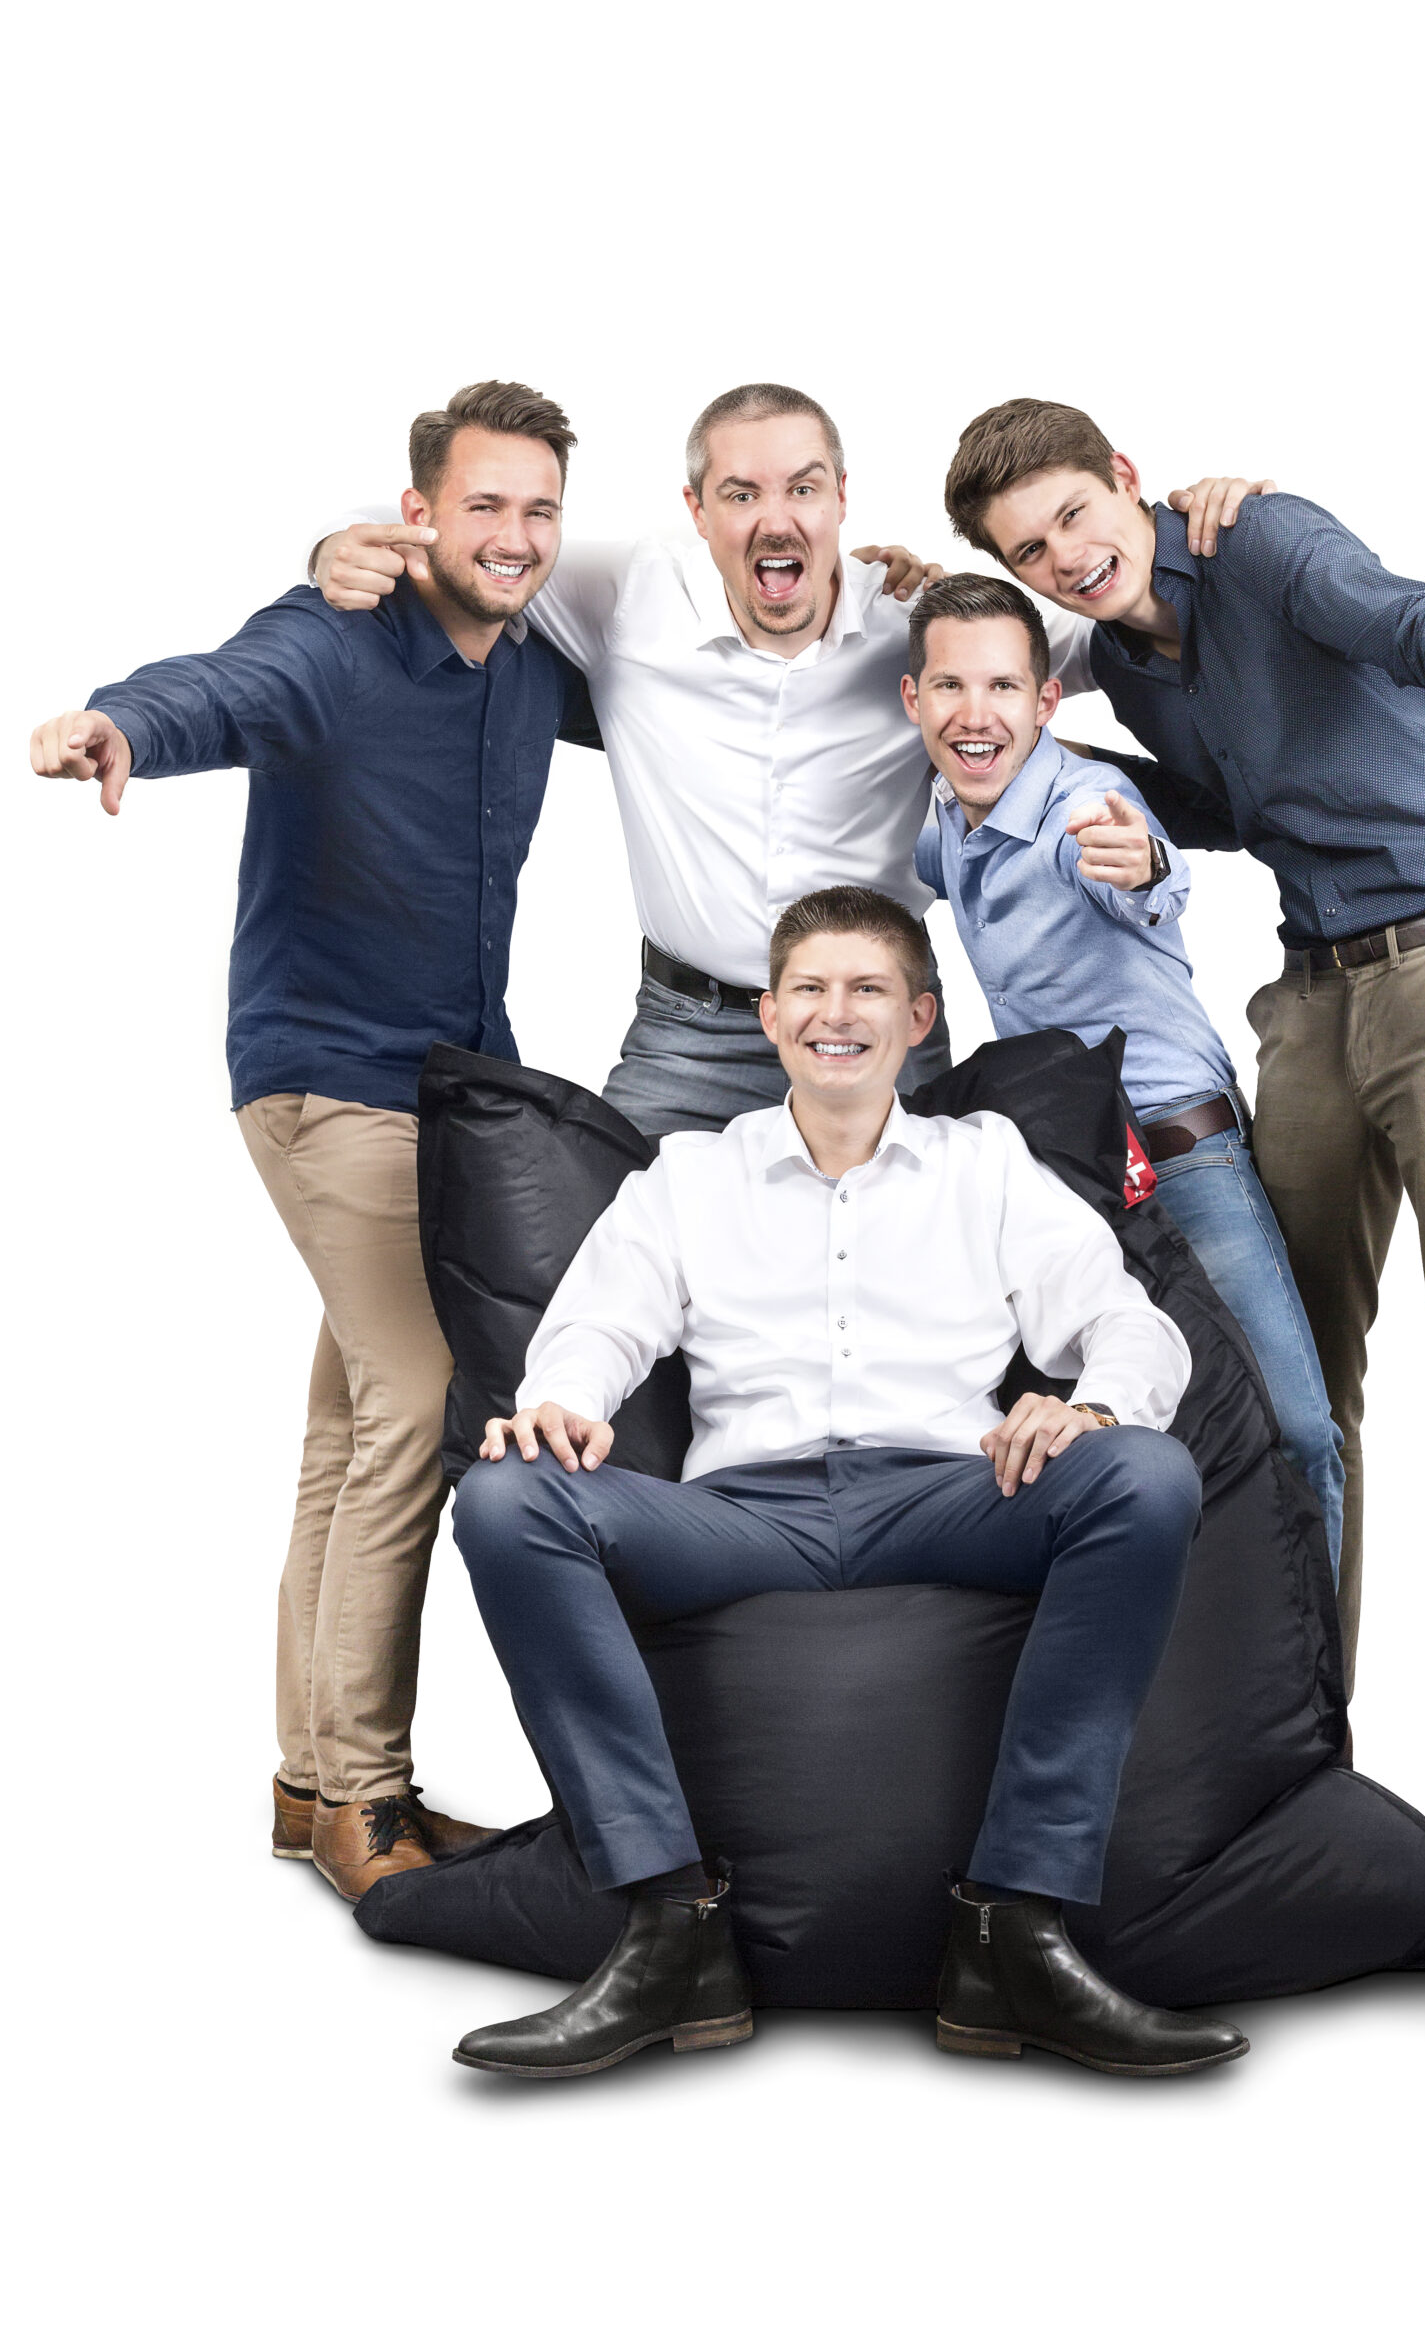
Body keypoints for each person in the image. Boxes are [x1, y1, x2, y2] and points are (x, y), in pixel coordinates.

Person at [943, 397, 1425, 1943]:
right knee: (1287, 1403)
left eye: (1074, 515)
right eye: (1029, 551)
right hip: (1309, 1004)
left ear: (1124, 477)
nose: (1066, 558)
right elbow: (1218, 806)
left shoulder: (1255, 539)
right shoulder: (1125, 665)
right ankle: (1299, 1771)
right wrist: (1043, 745)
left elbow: (1388, 619)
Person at [449, 885, 1248, 2080]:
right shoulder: (690, 1174)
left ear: (919, 1018)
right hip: (741, 1513)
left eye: (869, 988)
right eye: (811, 989)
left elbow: (1133, 1327)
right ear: (769, 1016)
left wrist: (1087, 1407)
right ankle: (670, 1921)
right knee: (505, 1496)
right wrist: (564, 1400)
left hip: (952, 1491)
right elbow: (599, 1326)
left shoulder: (986, 1163)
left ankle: (1015, 1927)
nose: (838, 1013)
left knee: (1143, 1471)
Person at [28, 381, 601, 1901]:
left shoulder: (530, 667)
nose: (515, 536)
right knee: (420, 1404)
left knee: (350, 1426)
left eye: (539, 510)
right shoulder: (335, 633)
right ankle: (367, 1795)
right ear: (415, 514)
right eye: (483, 505)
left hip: (449, 1093)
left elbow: (691, 683)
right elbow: (222, 685)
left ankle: (306, 1783)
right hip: (327, 1084)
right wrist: (115, 722)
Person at [309, 381, 1267, 1137]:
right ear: (696, 510)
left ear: (841, 498)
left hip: (885, 1026)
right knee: (599, 1258)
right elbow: (443, 527)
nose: (777, 519)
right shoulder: (626, 593)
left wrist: (1220, 536)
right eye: (741, 494)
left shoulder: (921, 627)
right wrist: (334, 549)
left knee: (918, 1285)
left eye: (803, 489)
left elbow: (1121, 604)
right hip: (687, 1036)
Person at [902, 571, 1344, 1571]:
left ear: (1046, 701)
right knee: (1099, 1429)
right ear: (913, 699)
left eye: (1004, 687)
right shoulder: (943, 826)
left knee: (1292, 1428)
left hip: (1178, 1155)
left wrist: (1144, 862)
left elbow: (1142, 871)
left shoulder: (1079, 807)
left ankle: (1320, 1666)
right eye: (952, 687)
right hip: (1063, 1175)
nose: (976, 713)